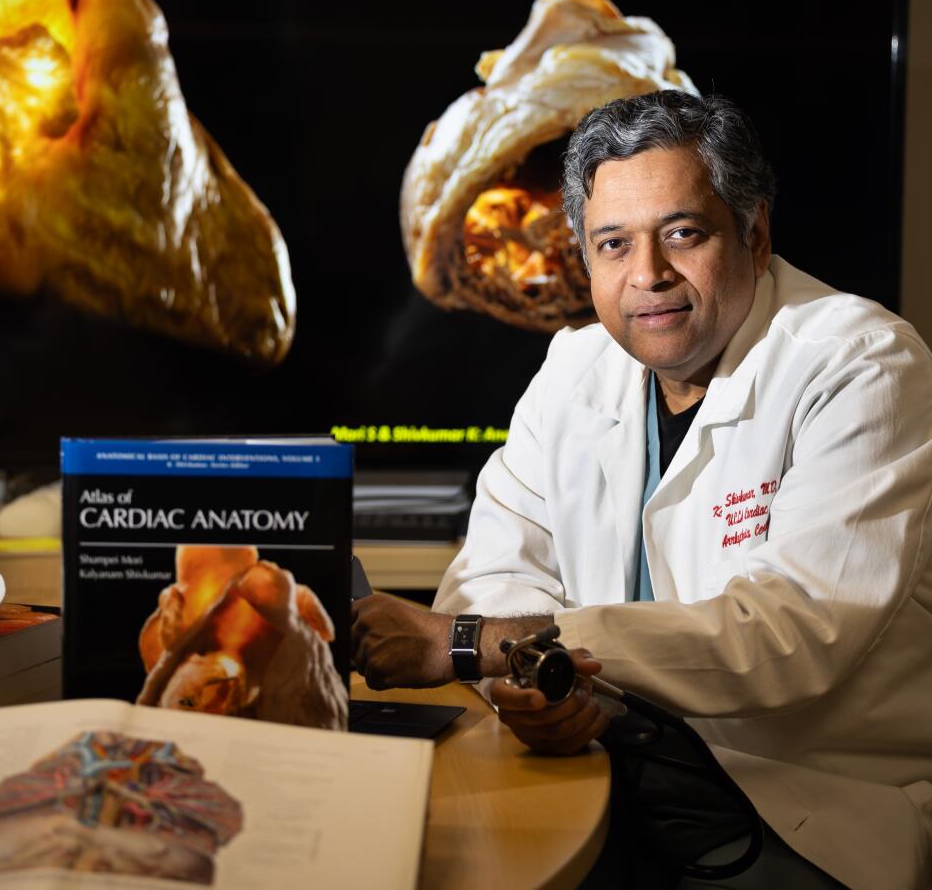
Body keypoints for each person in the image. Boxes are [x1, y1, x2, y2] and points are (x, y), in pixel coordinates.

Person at [351, 91, 932, 889]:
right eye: (614, 244)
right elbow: (494, 570)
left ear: (755, 234)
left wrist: (472, 643)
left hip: (794, 808)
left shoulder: (861, 364)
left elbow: (790, 635)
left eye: (682, 235)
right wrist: (532, 684)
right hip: (597, 762)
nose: (647, 276)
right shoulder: (574, 367)